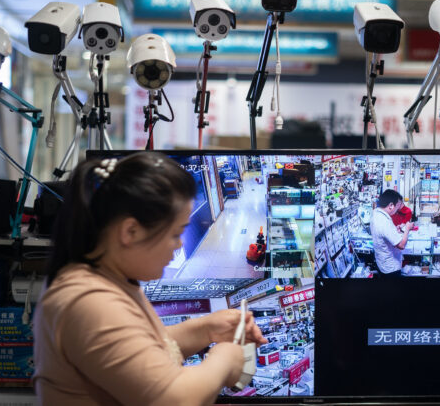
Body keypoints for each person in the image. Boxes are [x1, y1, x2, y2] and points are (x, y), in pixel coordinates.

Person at [33, 152, 267, 406]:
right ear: (130, 231)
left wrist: (207, 329)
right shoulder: (87, 301)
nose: (178, 246)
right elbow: (176, 399)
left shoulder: (107, 280)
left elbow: (137, 348)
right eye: (175, 233)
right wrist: (227, 359)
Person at [371, 189, 414, 277]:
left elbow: (384, 233)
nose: (397, 210)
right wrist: (407, 229)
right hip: (390, 268)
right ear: (391, 205)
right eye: (397, 207)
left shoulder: (375, 213)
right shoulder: (385, 222)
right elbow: (401, 245)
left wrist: (394, 230)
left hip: (381, 262)